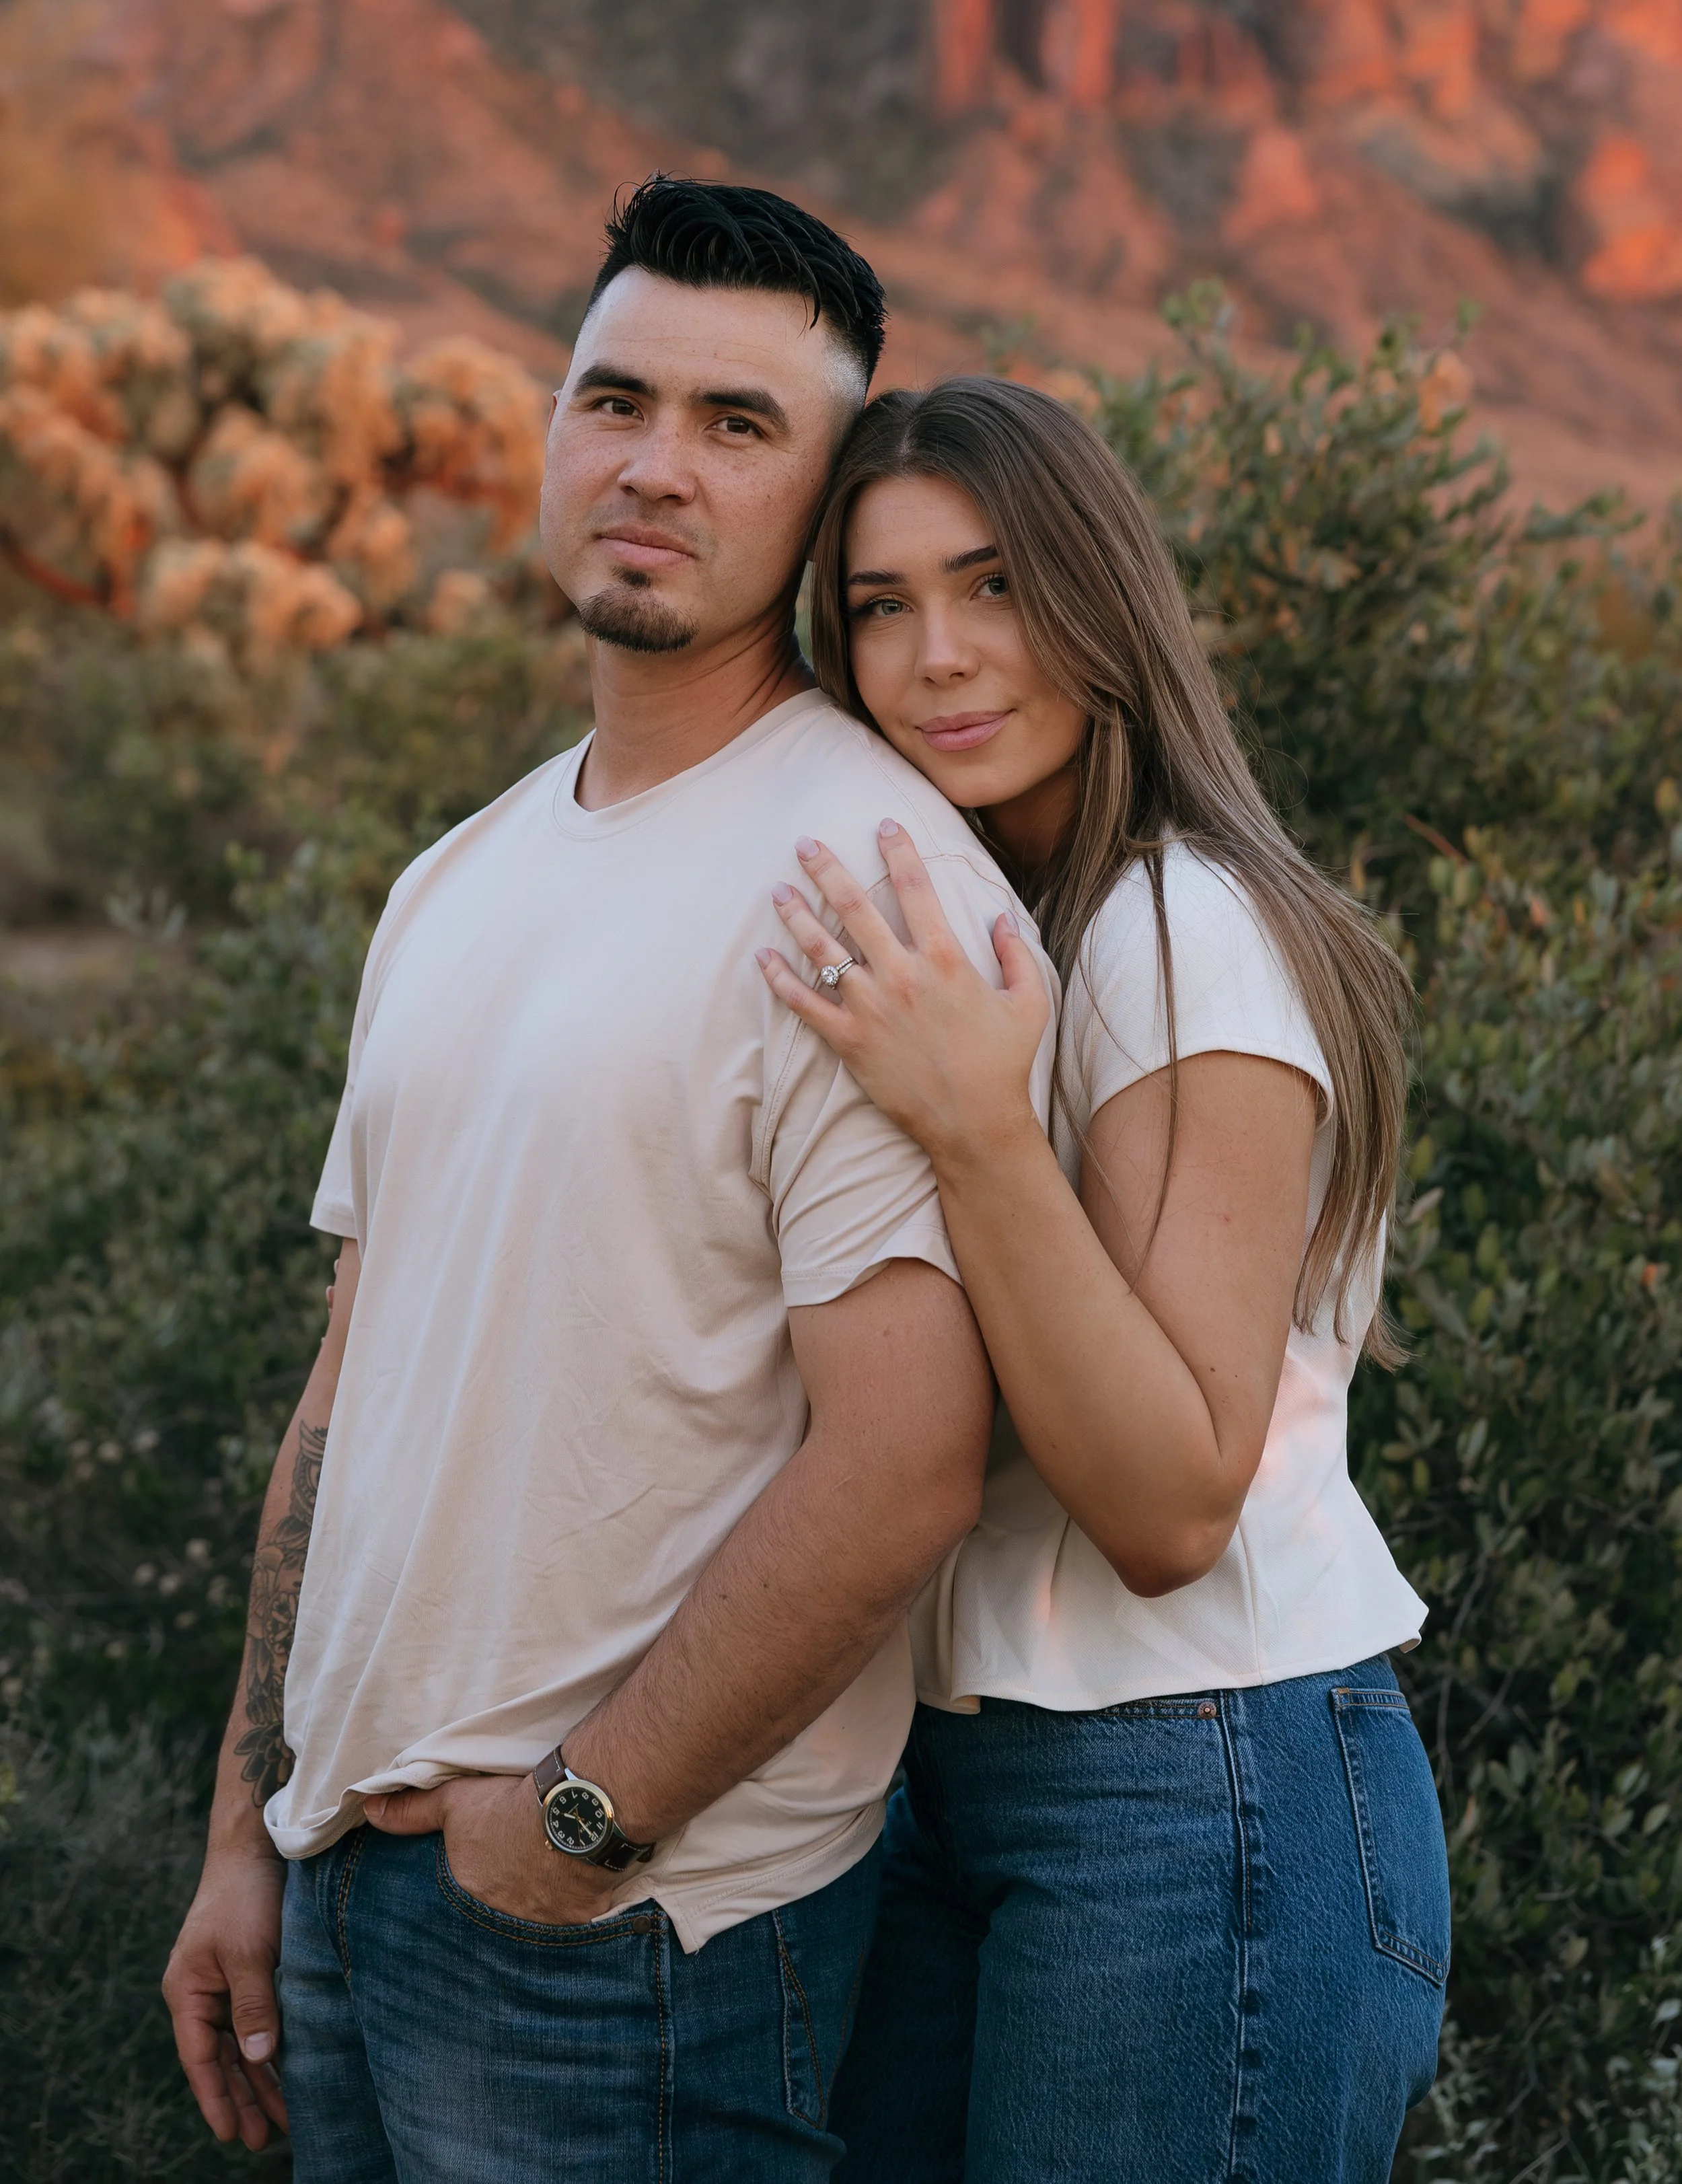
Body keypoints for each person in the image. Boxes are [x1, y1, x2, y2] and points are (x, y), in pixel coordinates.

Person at [161, 184, 1057, 2184]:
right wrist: (249, 1826)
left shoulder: (872, 883)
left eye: (739, 425)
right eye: (614, 397)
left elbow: (908, 1454)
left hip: (628, 1936)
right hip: (344, 1888)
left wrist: (576, 1826)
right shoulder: (455, 877)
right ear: (552, 427)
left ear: (824, 501)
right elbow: (348, 1395)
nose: (655, 463)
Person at [758, 377, 1451, 2184]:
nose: (936, 656)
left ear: (1097, 597)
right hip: (959, 1776)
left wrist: (980, 1134)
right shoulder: (1005, 929)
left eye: (992, 586)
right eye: (882, 606)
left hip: (1192, 1776)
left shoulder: (1177, 928)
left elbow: (1166, 1502)